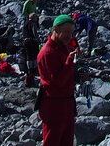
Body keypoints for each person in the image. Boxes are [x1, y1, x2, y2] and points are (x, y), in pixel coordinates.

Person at [37, 14, 79, 146]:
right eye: (66, 32)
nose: (69, 36)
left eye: (71, 33)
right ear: (56, 29)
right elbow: (58, 81)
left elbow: (68, 75)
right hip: (54, 108)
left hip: (66, 106)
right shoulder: (47, 53)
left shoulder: (64, 48)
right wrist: (69, 62)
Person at [21, 11, 41, 86]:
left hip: (26, 41)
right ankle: (35, 69)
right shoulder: (33, 24)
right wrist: (39, 41)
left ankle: (29, 70)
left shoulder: (25, 24)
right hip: (32, 41)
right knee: (35, 55)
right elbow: (35, 33)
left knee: (28, 56)